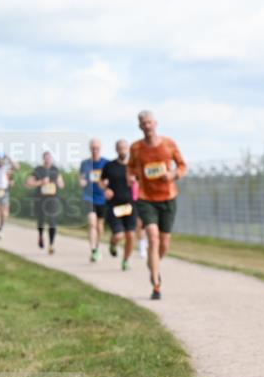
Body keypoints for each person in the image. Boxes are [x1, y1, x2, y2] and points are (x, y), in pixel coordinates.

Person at [128, 110, 186, 299]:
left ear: (156, 124)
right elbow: (130, 166)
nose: (147, 126)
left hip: (168, 198)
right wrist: (130, 177)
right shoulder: (136, 148)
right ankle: (156, 284)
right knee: (152, 237)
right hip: (146, 198)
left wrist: (173, 174)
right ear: (140, 126)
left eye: (150, 122)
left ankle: (154, 264)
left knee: (164, 244)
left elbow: (182, 165)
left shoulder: (168, 144)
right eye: (144, 123)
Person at [101, 139, 138, 270]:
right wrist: (106, 189)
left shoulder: (133, 167)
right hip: (114, 206)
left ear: (128, 149)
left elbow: (142, 182)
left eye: (124, 148)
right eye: (120, 148)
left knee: (131, 235)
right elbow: (101, 181)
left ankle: (125, 260)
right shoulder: (109, 166)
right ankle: (113, 244)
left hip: (130, 205)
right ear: (116, 149)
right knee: (119, 235)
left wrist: (135, 182)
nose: (122, 150)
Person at [25, 151, 65, 254]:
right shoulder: (38, 170)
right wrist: (41, 182)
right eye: (46, 158)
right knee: (41, 220)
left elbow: (61, 184)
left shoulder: (55, 170)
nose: (48, 160)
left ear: (51, 159)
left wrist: (57, 182)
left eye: (49, 158)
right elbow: (28, 183)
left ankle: (51, 245)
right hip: (40, 199)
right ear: (43, 159)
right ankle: (40, 236)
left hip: (53, 199)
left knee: (52, 221)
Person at [80, 139, 109, 262]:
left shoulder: (106, 163)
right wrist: (82, 182)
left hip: (101, 198)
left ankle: (97, 246)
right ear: (90, 148)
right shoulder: (85, 163)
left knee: (99, 225)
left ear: (100, 148)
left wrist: (106, 183)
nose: (95, 150)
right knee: (92, 222)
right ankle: (93, 250)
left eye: (97, 148)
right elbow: (81, 179)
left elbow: (109, 180)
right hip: (88, 196)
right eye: (93, 147)